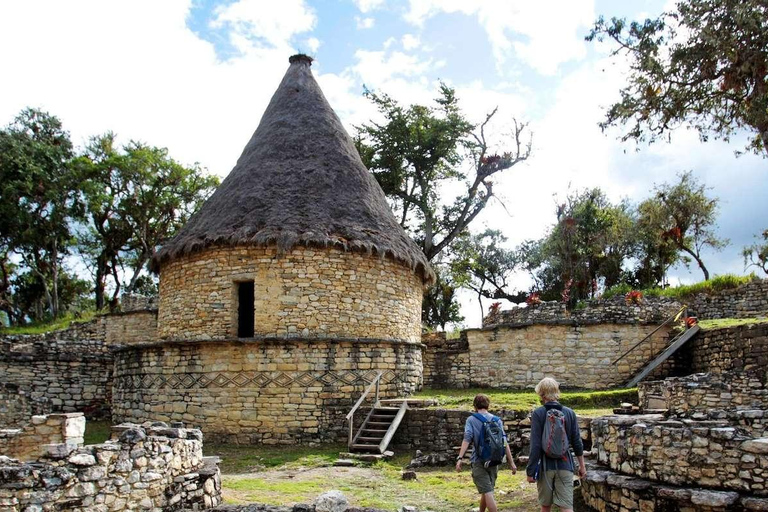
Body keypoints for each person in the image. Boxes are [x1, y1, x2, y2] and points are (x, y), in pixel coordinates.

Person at [526, 377, 586, 512]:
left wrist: (530, 471)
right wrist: (581, 466)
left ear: (541, 394)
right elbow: (577, 442)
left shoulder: (539, 413)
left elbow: (535, 446)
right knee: (566, 507)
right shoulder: (569, 413)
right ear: (557, 391)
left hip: (545, 467)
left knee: (545, 507)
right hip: (565, 465)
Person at [455, 394, 517, 512]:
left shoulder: (472, 420)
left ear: (475, 406)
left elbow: (467, 438)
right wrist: (512, 463)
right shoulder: (497, 420)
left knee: (487, 492)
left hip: (479, 461)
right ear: (488, 405)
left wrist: (460, 458)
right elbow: (504, 442)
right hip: (494, 460)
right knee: (487, 490)